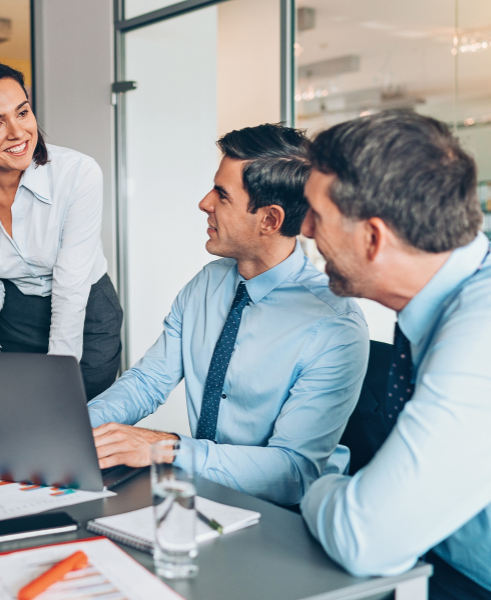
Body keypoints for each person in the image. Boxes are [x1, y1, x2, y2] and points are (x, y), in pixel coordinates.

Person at [89, 124, 369, 506]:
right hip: (207, 493)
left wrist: (169, 448)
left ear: (270, 220)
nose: (205, 203)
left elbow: (294, 473)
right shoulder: (207, 283)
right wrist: (77, 431)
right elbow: (147, 382)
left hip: (286, 517)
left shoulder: (333, 325)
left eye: (222, 195)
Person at [299, 110, 491, 599]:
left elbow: (367, 540)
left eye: (316, 215)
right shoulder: (444, 302)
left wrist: (319, 486)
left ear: (373, 238)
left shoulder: (481, 330)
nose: (303, 230)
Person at [0, 59, 122, 401]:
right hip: (15, 314)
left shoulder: (78, 174)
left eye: (23, 113)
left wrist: (59, 372)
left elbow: (70, 284)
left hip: (86, 312)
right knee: (15, 418)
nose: (18, 132)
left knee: (78, 422)